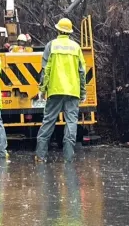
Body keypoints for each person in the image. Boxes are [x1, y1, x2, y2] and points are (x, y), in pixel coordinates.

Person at [35, 18, 86, 163]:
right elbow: (82, 72)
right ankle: (68, 158)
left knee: (48, 122)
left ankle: (40, 156)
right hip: (72, 91)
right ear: (69, 31)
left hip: (55, 90)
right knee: (71, 123)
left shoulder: (51, 45)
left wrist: (42, 89)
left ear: (57, 30)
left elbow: (46, 70)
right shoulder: (76, 47)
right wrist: (82, 92)